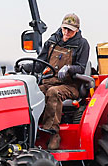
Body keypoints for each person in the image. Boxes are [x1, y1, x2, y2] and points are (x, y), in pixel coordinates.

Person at [36, 12, 90, 151]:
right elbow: (40, 63)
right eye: (64, 28)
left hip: (70, 85)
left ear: (77, 30)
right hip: (49, 81)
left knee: (54, 93)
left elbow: (82, 68)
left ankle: (53, 133)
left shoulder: (82, 44)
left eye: (70, 30)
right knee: (33, 92)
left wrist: (69, 68)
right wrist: (26, 66)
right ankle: (31, 128)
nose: (66, 32)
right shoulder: (52, 41)